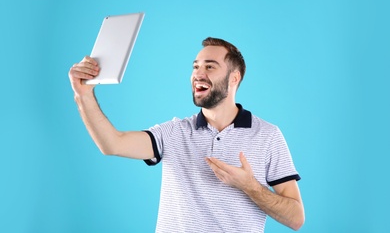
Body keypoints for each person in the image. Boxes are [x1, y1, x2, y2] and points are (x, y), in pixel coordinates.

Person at [69, 37, 305, 232]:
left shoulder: (267, 136)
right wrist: (83, 95)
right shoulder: (174, 132)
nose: (198, 74)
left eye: (210, 66)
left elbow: (295, 218)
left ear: (234, 78)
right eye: (195, 66)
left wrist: (249, 186)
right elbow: (113, 144)